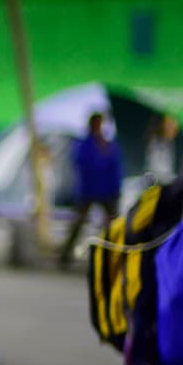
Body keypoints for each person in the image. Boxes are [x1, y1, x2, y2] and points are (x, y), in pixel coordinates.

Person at [59, 111, 124, 269]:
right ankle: (65, 255)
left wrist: (116, 187)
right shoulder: (85, 145)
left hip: (106, 190)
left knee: (112, 225)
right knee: (78, 223)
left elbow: (115, 167)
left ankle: (112, 255)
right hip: (89, 190)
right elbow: (83, 165)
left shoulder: (107, 144)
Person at [145, 113, 179, 188]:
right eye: (170, 124)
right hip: (155, 184)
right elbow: (157, 171)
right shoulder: (156, 142)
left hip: (164, 183)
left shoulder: (169, 142)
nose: (175, 126)